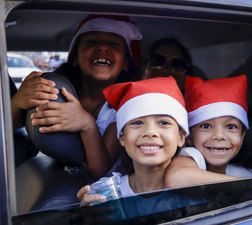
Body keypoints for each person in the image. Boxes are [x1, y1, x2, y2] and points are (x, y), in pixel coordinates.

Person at [12, 15, 142, 178]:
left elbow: (100, 170)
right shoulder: (56, 93)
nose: (102, 48)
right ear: (75, 58)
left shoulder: (124, 107)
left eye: (113, 44)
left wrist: (87, 124)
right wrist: (17, 103)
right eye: (92, 42)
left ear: (125, 63)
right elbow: (15, 129)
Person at [166, 75, 252, 188]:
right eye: (206, 126)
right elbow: (177, 177)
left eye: (230, 127)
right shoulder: (192, 156)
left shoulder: (245, 174)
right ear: (189, 136)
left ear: (242, 136)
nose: (219, 136)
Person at [77, 76, 188, 205]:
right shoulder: (107, 193)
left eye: (164, 123)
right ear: (122, 137)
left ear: (180, 137)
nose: (150, 132)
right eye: (137, 122)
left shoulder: (195, 188)